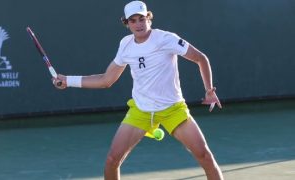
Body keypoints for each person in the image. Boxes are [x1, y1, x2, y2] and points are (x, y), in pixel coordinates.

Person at [53, 1, 224, 179]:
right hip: (141, 110)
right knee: (112, 160)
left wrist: (209, 90)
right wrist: (67, 80)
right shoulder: (126, 45)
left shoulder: (166, 39)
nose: (138, 24)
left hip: (172, 109)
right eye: (133, 20)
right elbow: (106, 80)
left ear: (149, 19)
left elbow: (200, 58)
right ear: (127, 24)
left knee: (204, 156)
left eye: (141, 19)